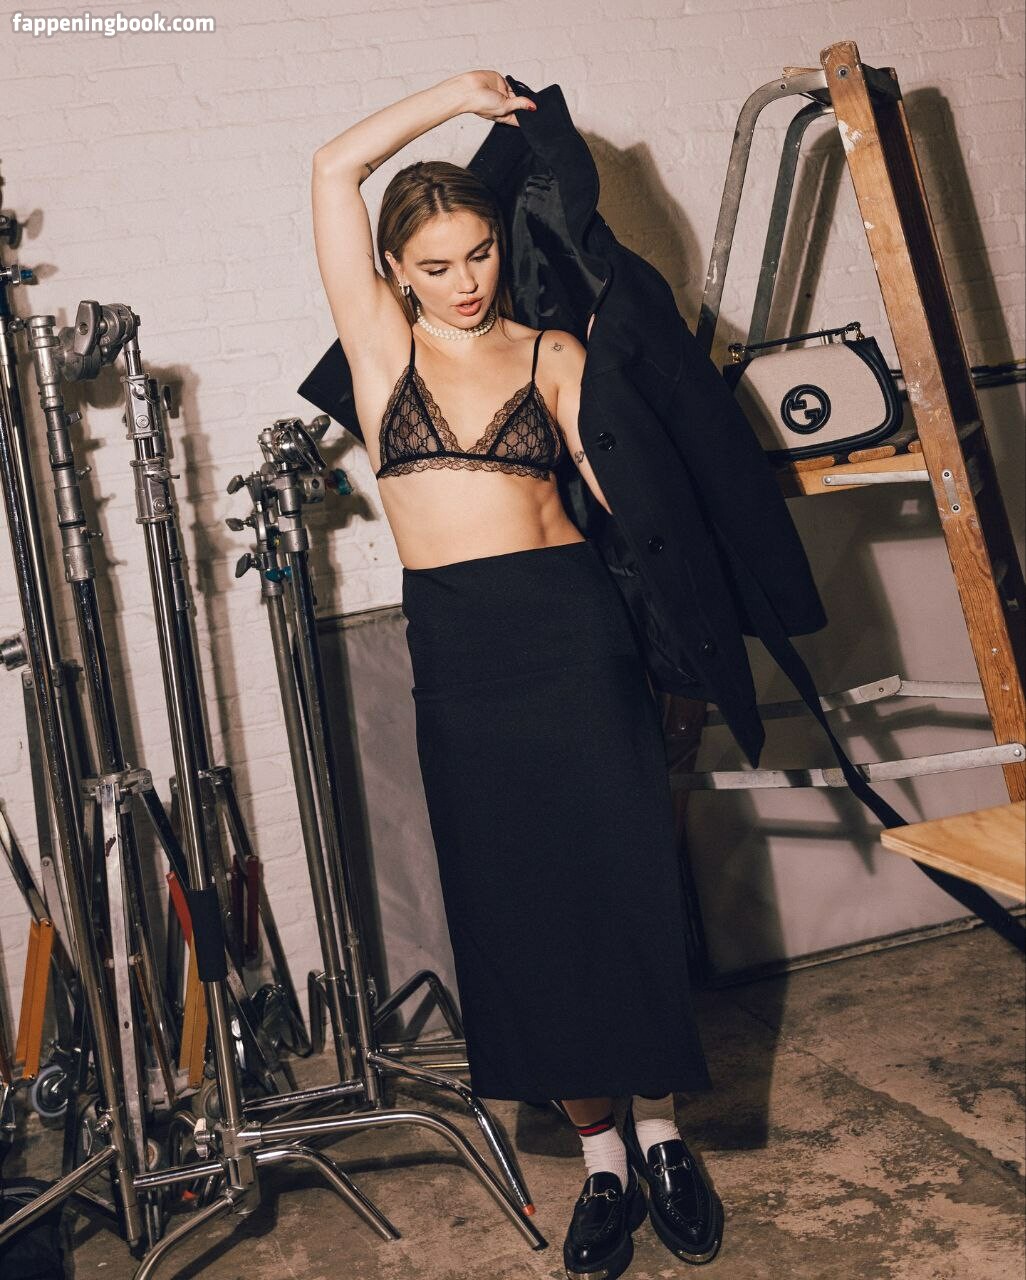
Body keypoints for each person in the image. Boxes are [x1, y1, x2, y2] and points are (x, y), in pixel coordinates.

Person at [312, 68, 723, 1277]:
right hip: (461, 646)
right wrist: (454, 97)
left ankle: (662, 1136)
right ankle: (600, 1159)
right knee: (518, 899)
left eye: (480, 252)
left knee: (622, 878)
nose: (465, 280)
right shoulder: (380, 353)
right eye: (436, 264)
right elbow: (333, 168)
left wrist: (686, 648)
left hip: (574, 631)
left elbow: (633, 516)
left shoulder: (552, 350)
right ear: (395, 271)